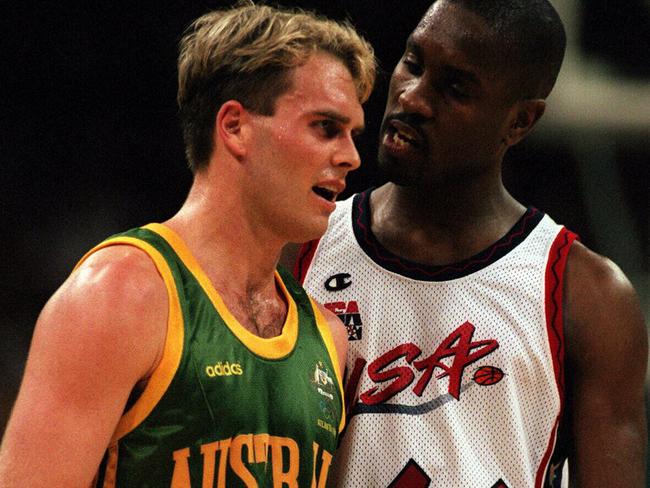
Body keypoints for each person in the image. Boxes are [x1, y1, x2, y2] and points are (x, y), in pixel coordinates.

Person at [0, 2, 376, 486]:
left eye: (353, 134)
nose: (350, 156)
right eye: (326, 127)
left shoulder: (328, 338)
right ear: (235, 127)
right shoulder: (120, 295)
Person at [292, 0, 648, 486]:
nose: (413, 98)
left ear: (520, 121)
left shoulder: (587, 297)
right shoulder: (297, 245)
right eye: (413, 64)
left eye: (455, 88)